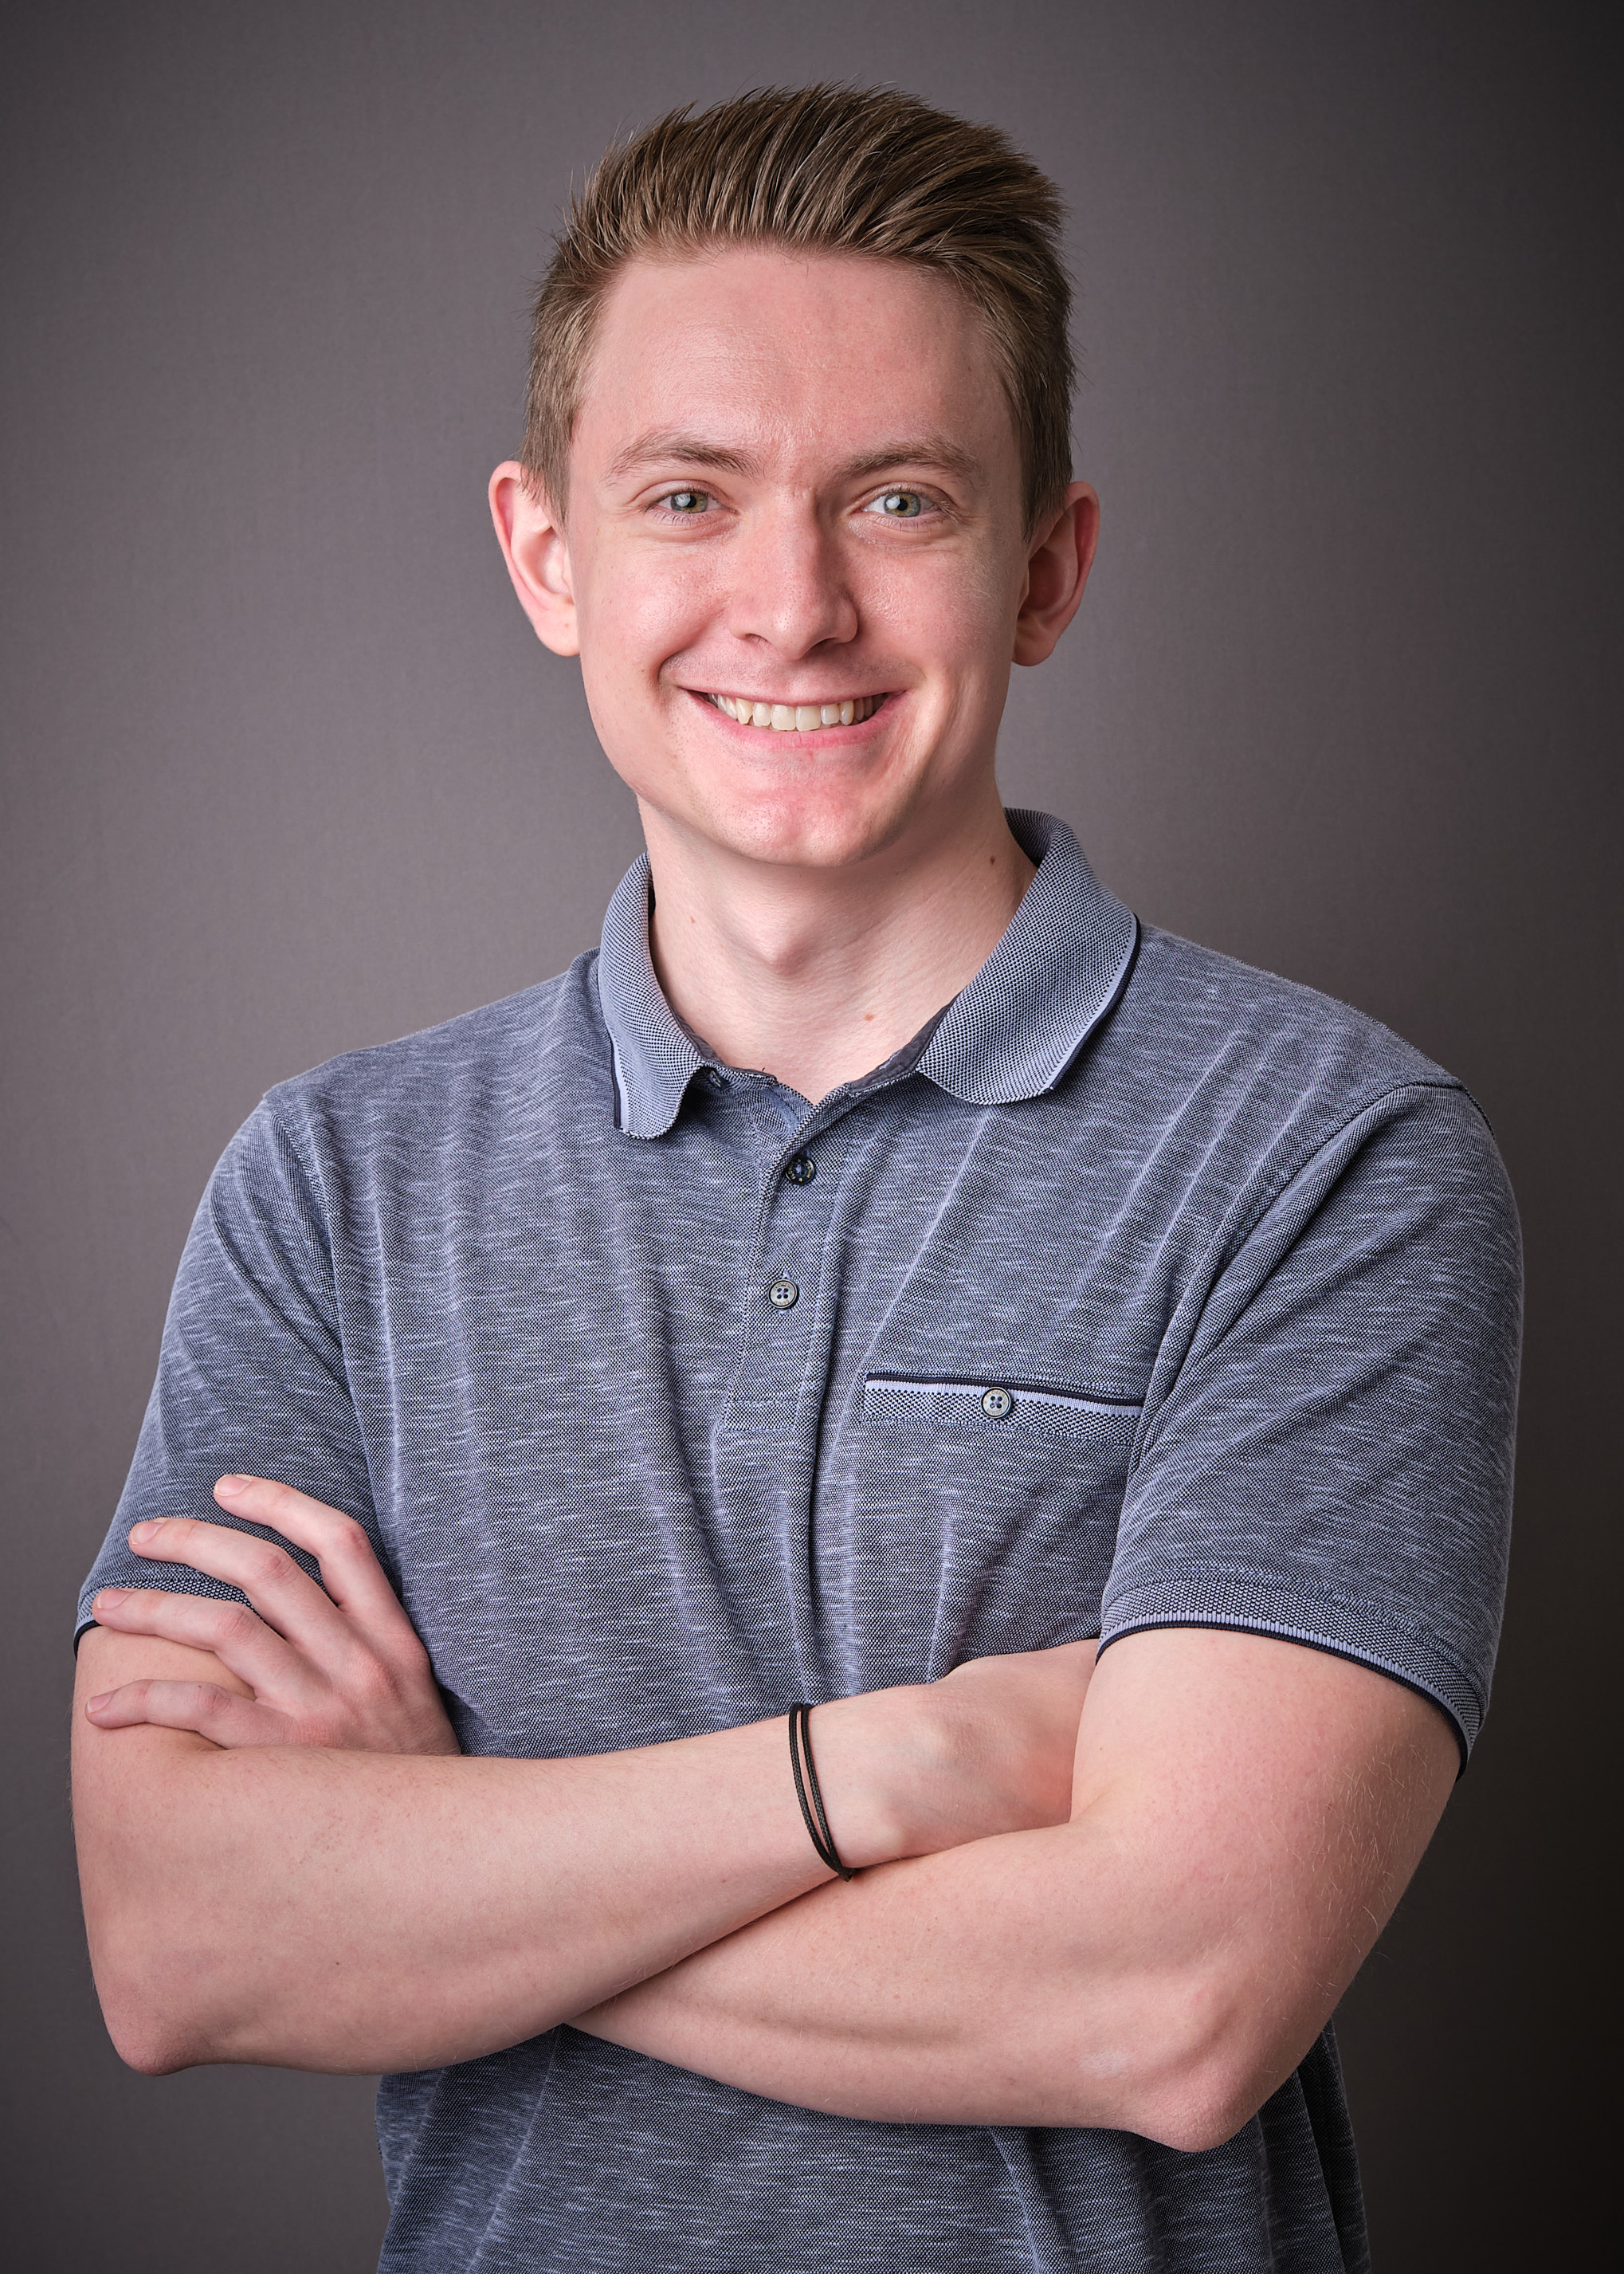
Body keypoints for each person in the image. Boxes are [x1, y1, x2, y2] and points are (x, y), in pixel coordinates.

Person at [71, 84, 1520, 2274]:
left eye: (899, 501)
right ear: (548, 555)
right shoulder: (333, 1189)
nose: (792, 605)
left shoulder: (1330, 1160)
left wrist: (434, 1856)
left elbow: (1174, 2003)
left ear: (1047, 568)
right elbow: (179, 1943)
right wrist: (883, 1774)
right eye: (689, 495)